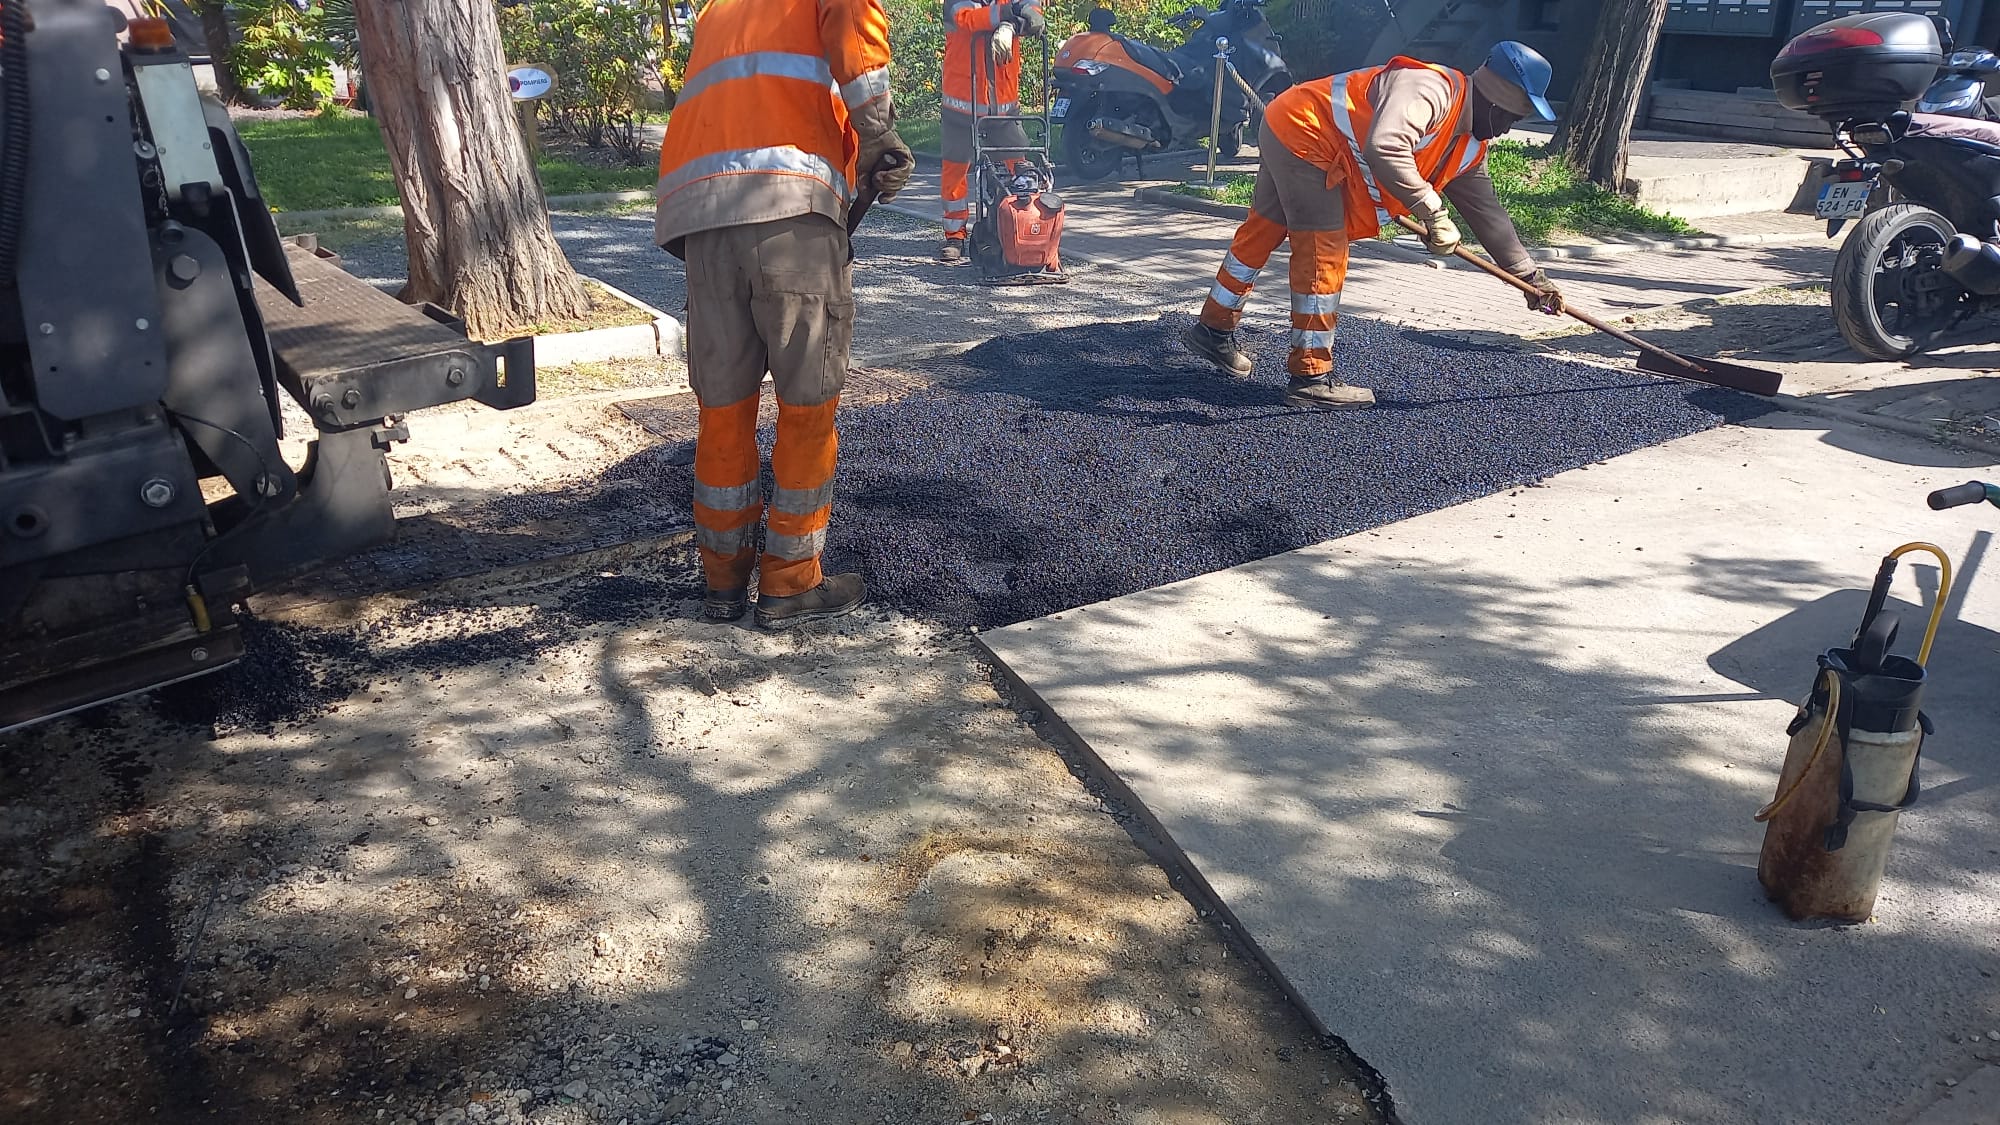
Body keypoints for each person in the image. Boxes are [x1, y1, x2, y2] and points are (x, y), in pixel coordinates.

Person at [654, 0, 912, 627]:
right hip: (788, 203)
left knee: (723, 406)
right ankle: (791, 582)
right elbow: (857, 36)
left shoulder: (722, 8)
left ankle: (722, 583)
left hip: (703, 219)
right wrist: (877, 135)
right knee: (806, 402)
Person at [1182, 42, 1568, 409]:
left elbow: (1490, 216)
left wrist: (1530, 277)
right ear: (1496, 100)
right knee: (1323, 251)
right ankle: (1311, 376)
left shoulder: (1468, 146)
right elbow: (1386, 145)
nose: (1507, 129)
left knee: (1264, 229)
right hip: (1307, 133)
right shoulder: (1430, 89)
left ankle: (1212, 330)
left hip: (1292, 125)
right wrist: (1432, 211)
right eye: (1511, 118)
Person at [940, 0, 1046, 262]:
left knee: (1019, 165)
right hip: (961, 105)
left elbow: (1035, 14)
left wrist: (1011, 26)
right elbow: (968, 19)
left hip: (1003, 107)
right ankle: (955, 236)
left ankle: (1020, 228)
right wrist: (1011, 14)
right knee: (955, 170)